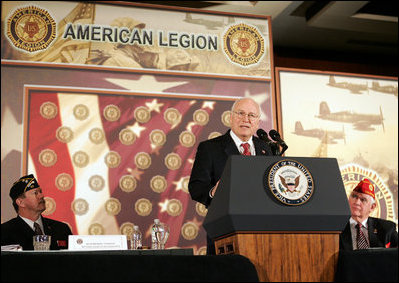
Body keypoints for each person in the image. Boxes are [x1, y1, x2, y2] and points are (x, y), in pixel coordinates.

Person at [189, 97, 273, 254]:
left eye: (251, 115)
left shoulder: (266, 149)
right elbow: (196, 187)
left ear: (258, 122)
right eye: (240, 113)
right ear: (231, 117)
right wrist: (214, 192)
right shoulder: (210, 148)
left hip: (263, 229)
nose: (245, 119)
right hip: (225, 230)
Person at [1, 174, 72, 250]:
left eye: (40, 192)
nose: (41, 196)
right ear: (20, 202)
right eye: (35, 193)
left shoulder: (61, 229)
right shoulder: (4, 232)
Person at [339, 178, 398, 250]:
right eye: (354, 196)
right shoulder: (337, 227)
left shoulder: (386, 228)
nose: (357, 202)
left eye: (363, 199)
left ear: (372, 207)